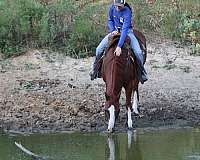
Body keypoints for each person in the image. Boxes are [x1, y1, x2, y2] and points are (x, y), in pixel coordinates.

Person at [89, 0, 148, 84]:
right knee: (99, 49)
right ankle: (95, 69)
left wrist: (119, 46)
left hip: (127, 32)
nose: (117, 7)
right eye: (116, 5)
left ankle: (141, 72)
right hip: (115, 31)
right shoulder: (112, 8)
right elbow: (110, 20)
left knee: (138, 52)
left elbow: (124, 29)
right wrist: (112, 30)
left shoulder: (127, 12)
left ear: (123, 4)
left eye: (119, 6)